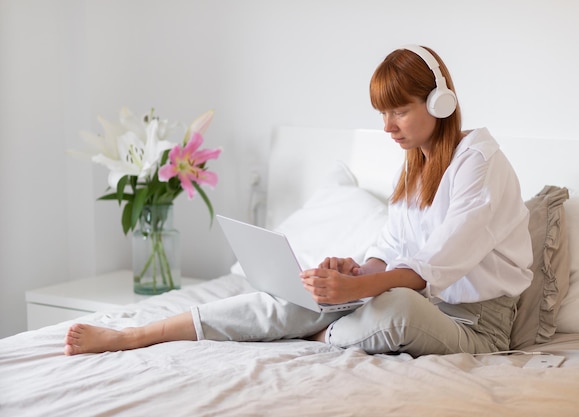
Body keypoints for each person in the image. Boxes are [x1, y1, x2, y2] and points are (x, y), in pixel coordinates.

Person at [64, 45, 532, 357]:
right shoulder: (415, 164)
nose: (387, 126)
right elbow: (391, 247)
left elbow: (440, 263)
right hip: (414, 294)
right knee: (300, 293)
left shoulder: (480, 161)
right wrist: (355, 272)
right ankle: (138, 334)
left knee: (395, 308)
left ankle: (318, 330)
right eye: (382, 114)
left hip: (476, 326)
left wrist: (359, 290)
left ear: (440, 103)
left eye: (399, 111)